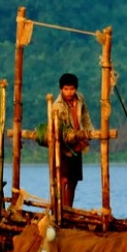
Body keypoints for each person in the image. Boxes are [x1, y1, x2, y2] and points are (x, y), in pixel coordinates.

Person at [51, 73, 94, 208]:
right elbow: (59, 128)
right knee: (63, 180)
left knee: (74, 180)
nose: (69, 92)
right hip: (63, 147)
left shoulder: (80, 99)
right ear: (61, 90)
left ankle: (69, 208)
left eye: (72, 89)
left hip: (77, 145)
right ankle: (62, 209)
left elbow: (85, 117)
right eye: (66, 89)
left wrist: (89, 131)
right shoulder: (57, 106)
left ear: (76, 89)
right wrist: (71, 135)